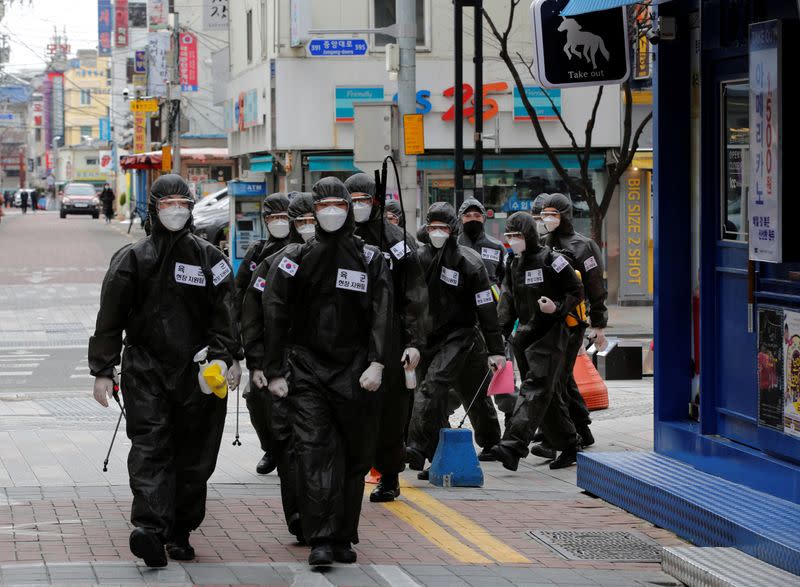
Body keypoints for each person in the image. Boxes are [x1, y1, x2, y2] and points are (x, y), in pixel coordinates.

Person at [88, 174, 240, 567]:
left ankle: (181, 530)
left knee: (194, 455)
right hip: (145, 370)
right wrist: (103, 369)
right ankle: (151, 531)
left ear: (191, 208)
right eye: (167, 202)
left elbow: (227, 317)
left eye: (182, 202)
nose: (176, 209)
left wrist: (227, 358)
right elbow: (109, 319)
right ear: (154, 209)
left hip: (198, 373)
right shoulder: (131, 260)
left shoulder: (213, 260)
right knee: (150, 448)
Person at [262, 177, 392, 567]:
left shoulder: (371, 258)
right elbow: (273, 309)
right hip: (306, 370)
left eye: (340, 204)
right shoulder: (294, 259)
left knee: (353, 455)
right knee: (315, 452)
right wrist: (274, 370)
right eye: (324, 205)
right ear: (313, 211)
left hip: (355, 371)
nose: (332, 211)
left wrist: (377, 360)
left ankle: (342, 535)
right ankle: (320, 537)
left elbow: (383, 312)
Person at [345, 173, 428, 503]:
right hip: (350, 337)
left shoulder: (397, 241)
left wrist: (414, 342)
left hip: (392, 336)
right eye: (350, 199)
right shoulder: (340, 238)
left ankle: (389, 475)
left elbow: (416, 295)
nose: (356, 205)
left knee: (391, 411)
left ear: (375, 200)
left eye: (362, 198)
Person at [406, 202, 503, 474]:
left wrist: (496, 349)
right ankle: (430, 451)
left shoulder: (469, 262)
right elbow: (409, 304)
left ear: (453, 229)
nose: (438, 232)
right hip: (428, 339)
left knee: (472, 391)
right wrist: (411, 342)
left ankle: (491, 441)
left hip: (462, 336)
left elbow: (486, 307)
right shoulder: (417, 259)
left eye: (443, 228)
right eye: (433, 227)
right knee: (432, 393)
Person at [241, 192, 315, 544]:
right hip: (278, 359)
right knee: (281, 431)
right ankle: (300, 514)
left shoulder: (350, 255)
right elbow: (247, 303)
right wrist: (253, 359)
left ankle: (330, 521)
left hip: (327, 365)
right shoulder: (265, 257)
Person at [491, 212, 585, 471]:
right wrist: (500, 336)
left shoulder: (552, 260)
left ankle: (512, 445)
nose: (513, 241)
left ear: (529, 235)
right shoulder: (513, 263)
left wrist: (557, 307)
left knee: (534, 389)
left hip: (551, 334)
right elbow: (508, 302)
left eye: (517, 236)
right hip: (524, 337)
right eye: (509, 236)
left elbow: (576, 290)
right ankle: (569, 444)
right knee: (548, 395)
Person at [534, 193, 608, 452]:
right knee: (561, 379)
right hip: (547, 322)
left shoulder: (583, 246)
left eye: (554, 213)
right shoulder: (542, 242)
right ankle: (581, 430)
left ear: (564, 215)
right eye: (545, 213)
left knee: (556, 379)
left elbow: (595, 285)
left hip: (571, 321)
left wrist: (598, 324)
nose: (548, 218)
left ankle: (559, 438)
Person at [234, 192, 292, 476]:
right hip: (263, 341)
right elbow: (239, 295)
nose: (279, 222)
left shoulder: (301, 250)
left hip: (293, 340)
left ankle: (290, 450)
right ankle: (271, 448)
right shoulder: (257, 253)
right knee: (256, 397)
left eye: (285, 216)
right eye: (273, 217)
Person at [457, 198, 505, 286]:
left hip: (489, 298)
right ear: (461, 219)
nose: (473, 219)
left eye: (477, 215)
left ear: (484, 218)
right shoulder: (453, 245)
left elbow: (505, 279)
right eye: (468, 216)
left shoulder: (496, 246)